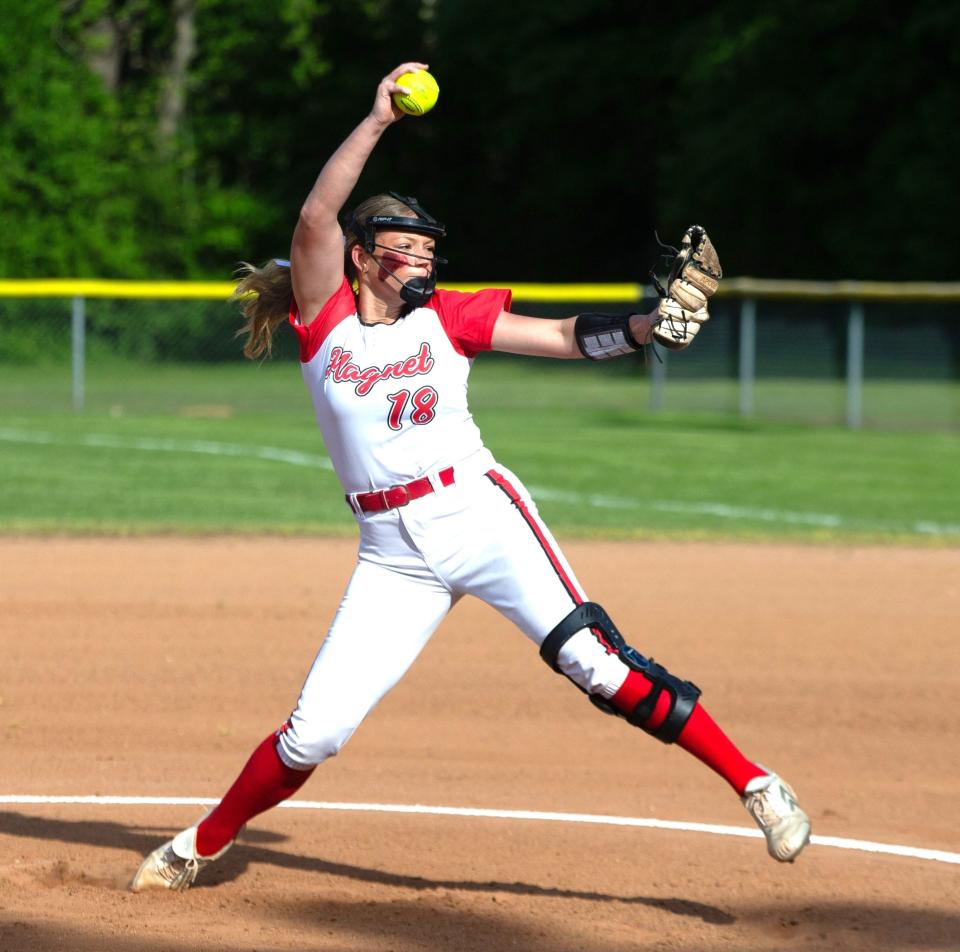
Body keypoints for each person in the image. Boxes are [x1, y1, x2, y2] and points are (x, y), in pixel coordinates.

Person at [130, 62, 810, 893]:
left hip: (478, 514)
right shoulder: (327, 325)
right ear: (362, 257)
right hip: (391, 554)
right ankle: (198, 845)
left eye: (428, 248)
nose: (421, 258)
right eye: (405, 247)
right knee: (314, 734)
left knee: (593, 661)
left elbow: (562, 337)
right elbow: (314, 214)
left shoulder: (445, 318)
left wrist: (646, 327)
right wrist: (378, 116)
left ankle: (758, 786)